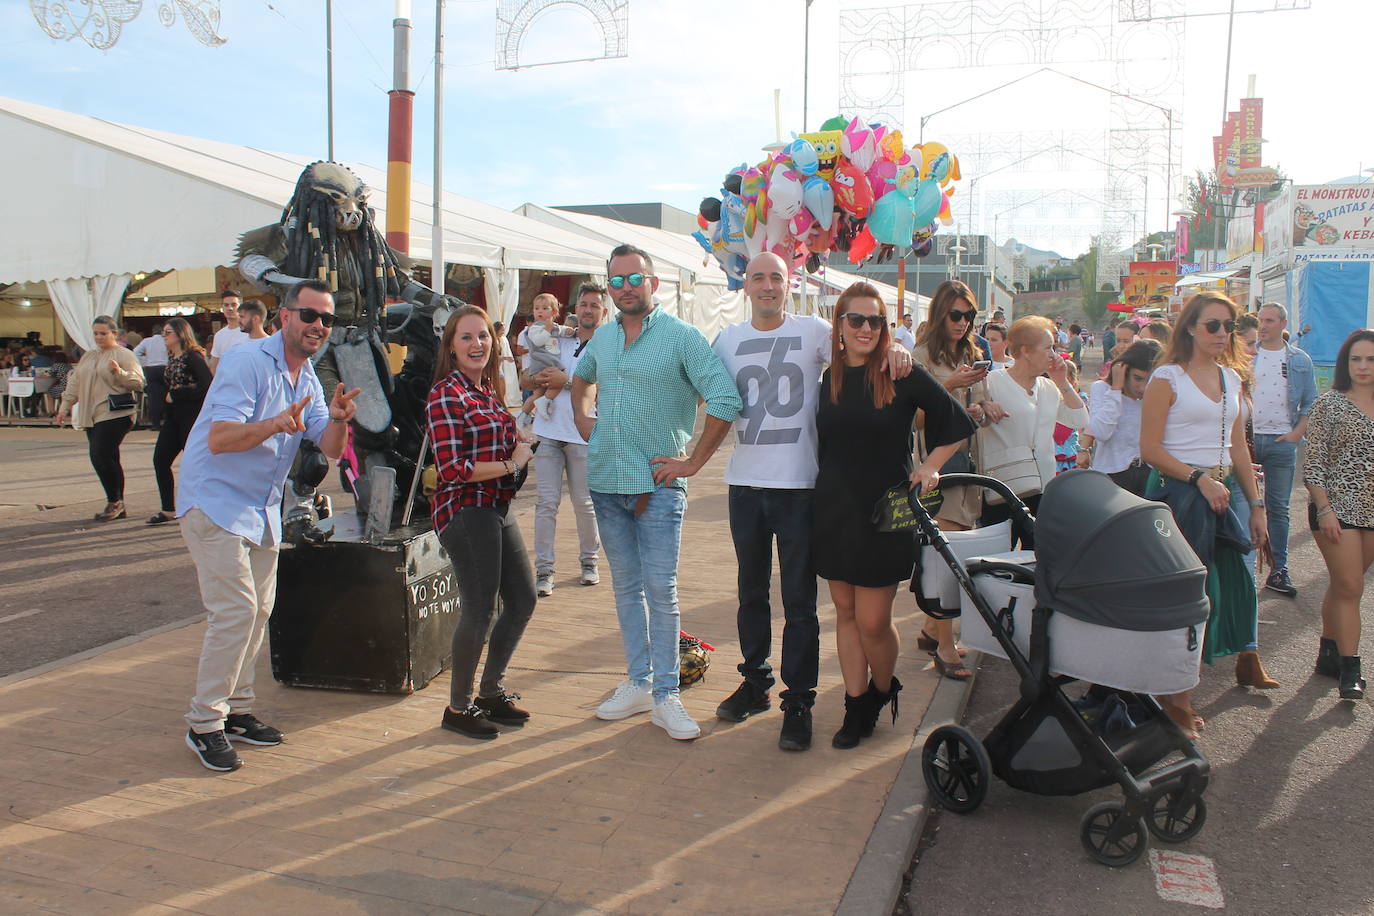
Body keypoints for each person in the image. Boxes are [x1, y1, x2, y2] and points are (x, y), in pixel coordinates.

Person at [712, 253, 913, 751]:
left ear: (788, 284)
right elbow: (699, 392)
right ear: (746, 285)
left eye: (776, 277)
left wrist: (901, 352)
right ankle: (756, 682)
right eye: (758, 277)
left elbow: (869, 339)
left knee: (800, 603)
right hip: (745, 486)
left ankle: (798, 701)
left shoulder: (814, 331)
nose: (767, 286)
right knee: (750, 596)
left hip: (802, 488)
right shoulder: (728, 340)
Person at [178, 280, 359, 772]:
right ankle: (204, 723)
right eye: (308, 315)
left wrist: (340, 418)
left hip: (260, 508)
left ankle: (236, 711)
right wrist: (275, 424)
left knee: (259, 610)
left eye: (327, 319)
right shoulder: (248, 363)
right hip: (213, 503)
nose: (318, 325)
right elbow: (219, 439)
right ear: (284, 316)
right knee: (236, 611)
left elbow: (330, 447)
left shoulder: (308, 379)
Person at [572, 243, 742, 741]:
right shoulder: (602, 339)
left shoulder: (682, 338)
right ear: (609, 287)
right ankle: (639, 682)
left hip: (658, 489)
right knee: (625, 589)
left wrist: (693, 462)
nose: (626, 287)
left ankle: (667, 694)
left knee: (660, 592)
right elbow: (580, 381)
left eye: (635, 278)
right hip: (605, 484)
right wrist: (584, 418)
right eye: (617, 280)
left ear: (654, 283)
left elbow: (726, 398)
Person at [815, 282, 975, 749]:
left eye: (876, 320)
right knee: (845, 613)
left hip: (887, 512)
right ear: (840, 326)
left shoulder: (901, 371)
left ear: (885, 327)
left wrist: (928, 468)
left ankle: (884, 690)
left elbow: (957, 425)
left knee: (872, 621)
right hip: (834, 508)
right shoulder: (831, 378)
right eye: (856, 319)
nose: (866, 328)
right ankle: (855, 703)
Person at [1139, 292, 1272, 739]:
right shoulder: (1167, 377)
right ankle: (1176, 698)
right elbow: (1150, 450)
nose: (1221, 334)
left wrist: (1255, 506)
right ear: (1191, 327)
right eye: (1212, 325)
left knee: (1224, 587)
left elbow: (1238, 448)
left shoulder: (1232, 378)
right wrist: (1198, 478)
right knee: (1188, 597)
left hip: (1221, 493)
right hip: (1179, 495)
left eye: (1228, 326)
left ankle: (1179, 685)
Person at [427, 305, 539, 740]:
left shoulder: (486, 389)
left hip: (496, 507)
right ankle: (458, 707)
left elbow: (503, 440)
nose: (477, 344)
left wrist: (520, 435)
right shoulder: (446, 394)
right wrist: (512, 463)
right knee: (480, 609)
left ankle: (490, 692)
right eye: (467, 337)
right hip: (465, 510)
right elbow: (453, 467)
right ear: (451, 348)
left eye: (483, 337)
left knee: (523, 599)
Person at [912, 278, 1003, 679]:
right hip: (935, 465)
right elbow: (911, 417)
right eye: (956, 315)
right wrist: (948, 385)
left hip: (967, 463)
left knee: (955, 551)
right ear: (939, 313)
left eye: (970, 316)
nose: (963, 323)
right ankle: (944, 646)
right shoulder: (921, 355)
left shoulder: (973, 351)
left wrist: (984, 407)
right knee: (946, 556)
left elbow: (972, 406)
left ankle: (933, 628)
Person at [518, 283, 606, 598]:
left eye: (594, 305)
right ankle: (544, 571)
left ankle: (589, 562)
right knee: (546, 504)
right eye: (584, 304)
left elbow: (605, 385)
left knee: (585, 504)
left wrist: (565, 381)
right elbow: (525, 378)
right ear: (575, 308)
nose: (588, 310)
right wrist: (539, 379)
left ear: (603, 312)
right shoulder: (559, 338)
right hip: (549, 431)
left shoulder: (608, 346)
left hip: (583, 434)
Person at [1304, 329, 1374, 700]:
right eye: (1355, 359)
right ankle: (1351, 669)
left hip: (1372, 511)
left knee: (1344, 583)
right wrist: (1324, 509)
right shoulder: (1329, 404)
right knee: (1350, 587)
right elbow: (1313, 464)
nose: (1363, 366)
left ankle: (1328, 652)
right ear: (1345, 364)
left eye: (1370, 359)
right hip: (1335, 509)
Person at [978, 316, 1088, 546]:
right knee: (997, 561)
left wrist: (1062, 381)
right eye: (1048, 348)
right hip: (1003, 488)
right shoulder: (991, 382)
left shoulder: (1048, 387)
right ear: (1026, 351)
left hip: (1042, 487)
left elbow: (1079, 419)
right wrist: (982, 407)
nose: (1053, 354)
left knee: (1039, 559)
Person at [1247, 302, 1318, 598]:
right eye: (1261, 320)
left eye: (1270, 321)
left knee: (1279, 509)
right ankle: (1246, 568)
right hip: (1247, 441)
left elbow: (1311, 400)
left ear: (1283, 323)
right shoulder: (1246, 356)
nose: (1263, 326)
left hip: (1281, 443)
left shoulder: (1299, 360)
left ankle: (1279, 570)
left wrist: (1296, 433)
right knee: (1246, 506)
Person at [56, 316, 145, 521]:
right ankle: (116, 502)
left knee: (100, 455)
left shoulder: (124, 354)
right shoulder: (89, 356)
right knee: (108, 457)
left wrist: (119, 372)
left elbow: (138, 382)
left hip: (115, 413)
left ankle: (115, 501)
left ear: (115, 334)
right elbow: (75, 382)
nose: (98, 337)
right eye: (95, 333)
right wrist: (65, 406)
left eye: (103, 333)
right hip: (92, 414)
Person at [148, 318, 212, 525]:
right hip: (174, 417)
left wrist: (178, 394)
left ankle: (206, 506)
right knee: (160, 459)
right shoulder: (173, 357)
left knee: (196, 465)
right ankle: (168, 508)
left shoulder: (193, 357)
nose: (164, 336)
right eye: (163, 333)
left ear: (180, 334)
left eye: (168, 332)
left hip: (191, 417)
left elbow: (206, 386)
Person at [1085, 339, 1160, 495]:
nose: (1143, 387)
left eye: (1150, 380)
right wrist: (1116, 389)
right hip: (1111, 475)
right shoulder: (1102, 388)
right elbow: (1101, 432)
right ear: (1124, 370)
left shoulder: (1156, 396)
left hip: (1149, 474)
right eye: (1138, 378)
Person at [516, 292, 578, 423]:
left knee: (537, 394)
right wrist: (547, 330)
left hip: (548, 364)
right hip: (543, 364)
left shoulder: (554, 327)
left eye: (544, 308)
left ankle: (523, 415)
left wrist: (571, 331)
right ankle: (545, 401)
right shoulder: (534, 328)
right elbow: (538, 341)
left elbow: (564, 331)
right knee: (556, 383)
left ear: (554, 311)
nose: (539, 311)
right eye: (536, 308)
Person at [134, 324, 169, 429]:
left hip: (151, 369)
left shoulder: (146, 341)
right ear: (162, 332)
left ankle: (155, 423)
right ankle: (167, 420)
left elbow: (135, 353)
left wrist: (146, 361)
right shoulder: (166, 340)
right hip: (165, 368)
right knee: (167, 394)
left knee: (153, 397)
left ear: (152, 332)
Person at [209, 289, 250, 373]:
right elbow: (214, 367)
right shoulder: (219, 335)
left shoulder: (250, 332)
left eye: (234, 305)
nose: (230, 308)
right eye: (226, 305)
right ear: (222, 307)